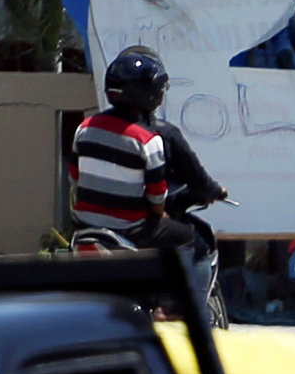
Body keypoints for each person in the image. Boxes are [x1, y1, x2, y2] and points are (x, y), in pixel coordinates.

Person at [72, 47, 228, 299]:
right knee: (189, 239)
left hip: (85, 226)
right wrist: (159, 214)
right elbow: (158, 194)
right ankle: (175, 305)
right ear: (150, 93)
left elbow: (76, 176)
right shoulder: (148, 139)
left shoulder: (85, 128)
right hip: (131, 228)